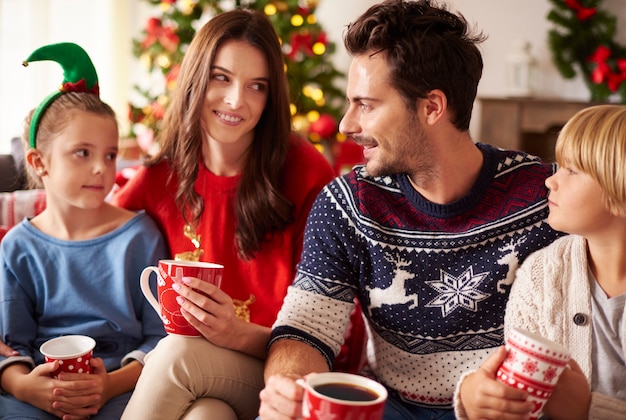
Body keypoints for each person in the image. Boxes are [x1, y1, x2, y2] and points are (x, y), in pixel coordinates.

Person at [258, 0, 564, 418]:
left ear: (432, 107)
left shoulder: (548, 195)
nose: (347, 124)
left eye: (366, 104)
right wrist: (289, 388)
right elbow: (307, 329)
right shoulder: (347, 204)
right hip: (392, 409)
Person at [117, 8, 336, 420]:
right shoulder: (158, 177)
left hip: (280, 370)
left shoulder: (305, 171)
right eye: (221, 77)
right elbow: (90, 231)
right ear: (196, 78)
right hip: (206, 379)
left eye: (257, 86)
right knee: (206, 415)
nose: (237, 100)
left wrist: (235, 333)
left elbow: (333, 329)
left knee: (178, 355)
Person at [0, 42, 168, 419]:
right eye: (83, 153)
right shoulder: (18, 248)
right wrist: (25, 387)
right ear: (39, 162)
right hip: (37, 394)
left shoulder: (140, 236)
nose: (101, 169)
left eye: (110, 155)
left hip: (122, 388)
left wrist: (110, 384)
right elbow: (11, 346)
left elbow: (160, 338)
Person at [456, 104, 626, 419]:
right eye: (558, 166)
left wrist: (588, 411)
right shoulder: (542, 274)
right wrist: (474, 394)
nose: (551, 181)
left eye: (572, 171)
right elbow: (517, 389)